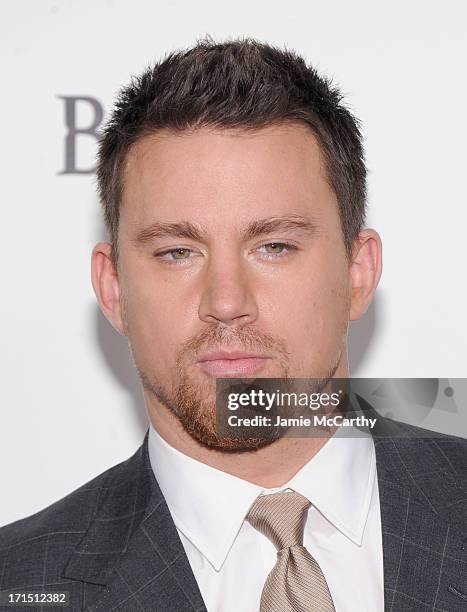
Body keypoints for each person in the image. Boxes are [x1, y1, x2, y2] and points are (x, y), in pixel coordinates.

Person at [0, 38, 466, 612]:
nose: (225, 301)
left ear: (357, 273)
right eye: (177, 252)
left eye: (273, 245)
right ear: (113, 288)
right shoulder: (17, 581)